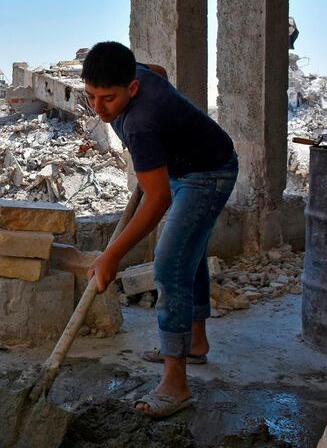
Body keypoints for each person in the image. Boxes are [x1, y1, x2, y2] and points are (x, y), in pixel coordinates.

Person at [83, 41, 238, 418]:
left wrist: (112, 255)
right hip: (182, 168)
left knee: (169, 265)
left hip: (209, 174)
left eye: (109, 99)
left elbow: (157, 200)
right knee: (190, 251)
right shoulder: (139, 73)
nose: (99, 109)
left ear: (132, 88)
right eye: (91, 96)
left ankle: (176, 384)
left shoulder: (141, 123)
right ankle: (194, 342)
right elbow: (161, 74)